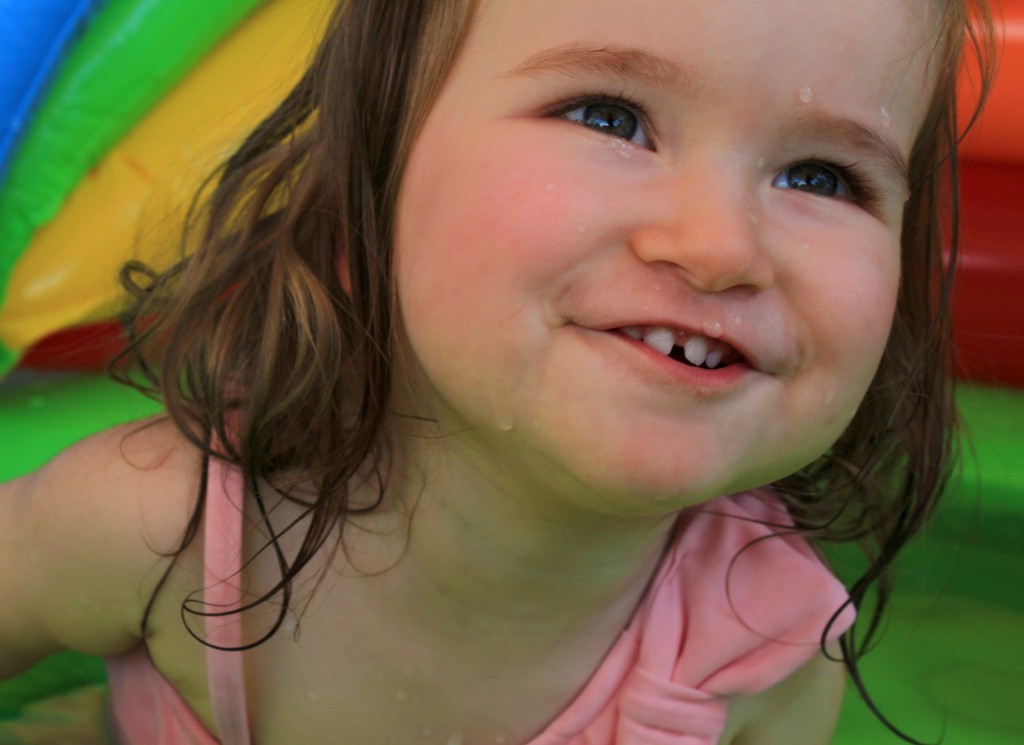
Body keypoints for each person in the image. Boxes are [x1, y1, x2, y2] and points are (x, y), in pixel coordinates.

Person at [0, 0, 996, 743]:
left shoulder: (755, 654)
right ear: (367, 175)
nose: (719, 245)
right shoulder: (156, 528)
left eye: (822, 177)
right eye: (609, 116)